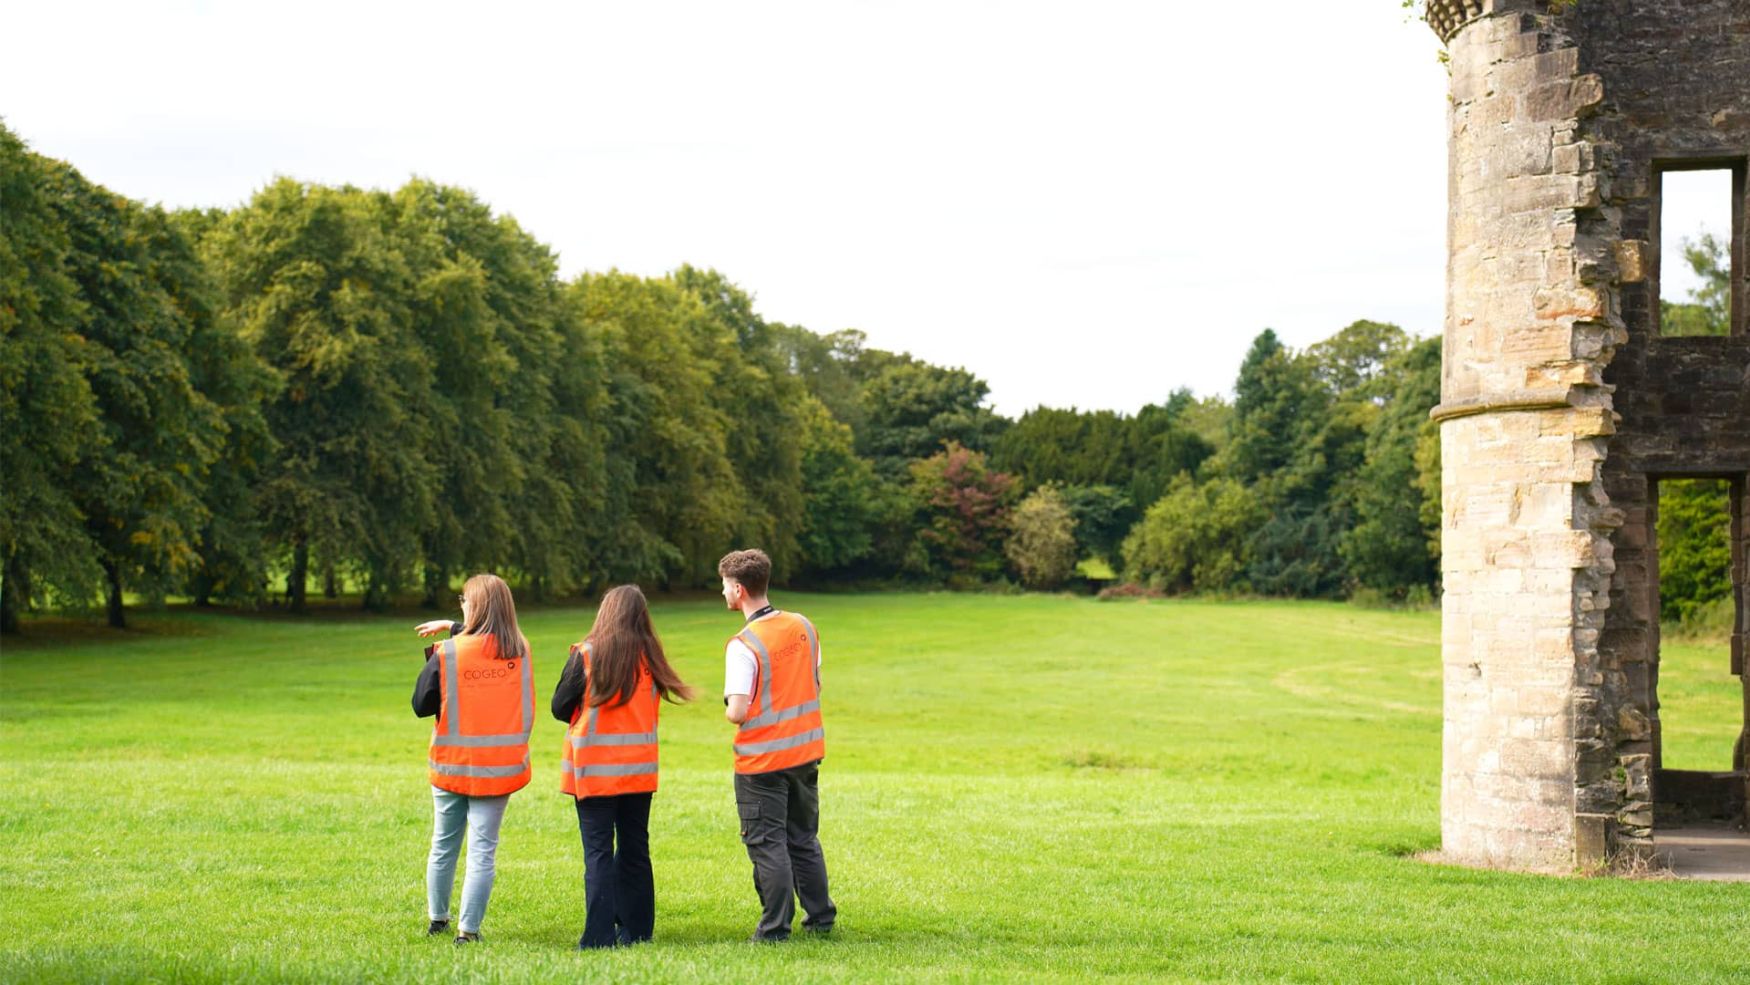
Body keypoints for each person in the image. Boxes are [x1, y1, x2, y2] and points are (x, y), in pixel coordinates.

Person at [550, 585, 695, 949]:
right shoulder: (651, 659)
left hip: (595, 771)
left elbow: (558, 707)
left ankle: (598, 937)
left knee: (598, 853)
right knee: (635, 849)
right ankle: (638, 929)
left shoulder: (585, 655)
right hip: (638, 772)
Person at [718, 548, 837, 941]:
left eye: (724, 586)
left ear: (738, 589)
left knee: (767, 844)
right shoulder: (804, 625)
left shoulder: (743, 645)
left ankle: (773, 929)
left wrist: (733, 707)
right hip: (805, 754)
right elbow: (814, 684)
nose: (723, 593)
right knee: (803, 838)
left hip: (761, 761)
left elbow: (737, 710)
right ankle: (820, 917)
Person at [410, 574, 535, 945]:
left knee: (443, 843)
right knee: (483, 851)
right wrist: (454, 626)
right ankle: (469, 931)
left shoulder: (448, 653)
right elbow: (490, 635)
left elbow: (421, 706)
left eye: (464, 599)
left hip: (451, 765)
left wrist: (452, 633)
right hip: (498, 769)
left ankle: (437, 919)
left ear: (474, 606)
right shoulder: (521, 651)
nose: (460, 604)